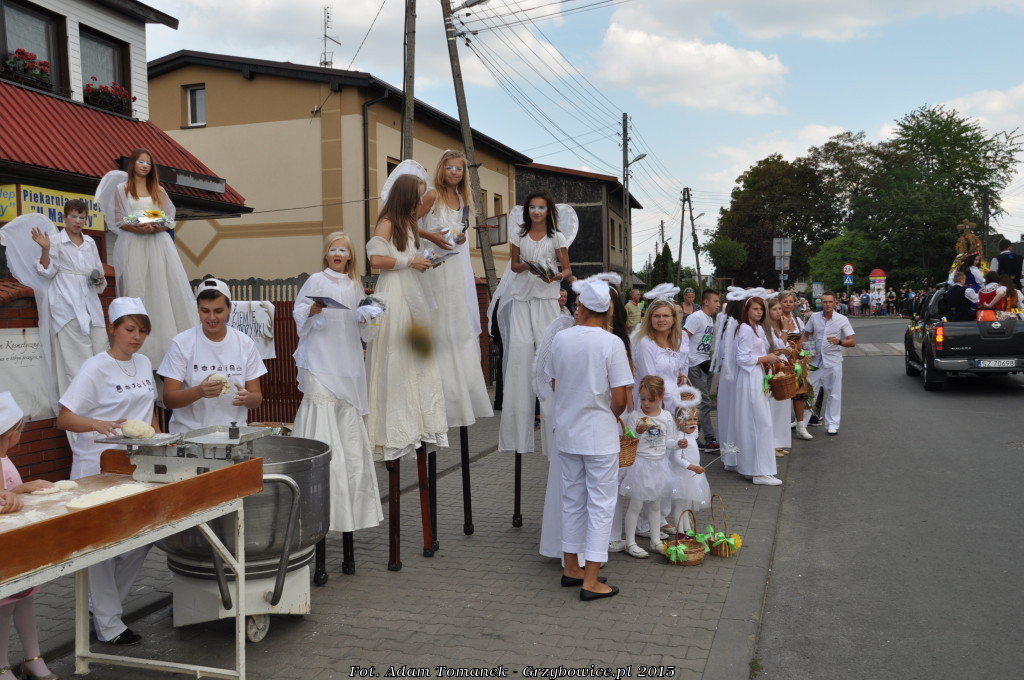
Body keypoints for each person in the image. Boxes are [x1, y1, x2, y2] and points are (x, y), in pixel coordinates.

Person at [56, 298, 158, 646]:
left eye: (143, 331)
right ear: (112, 328)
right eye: (130, 329)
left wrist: (160, 440)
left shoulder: (144, 363)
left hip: (136, 466)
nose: (137, 337)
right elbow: (64, 418)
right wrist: (97, 423)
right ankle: (110, 625)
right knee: (101, 545)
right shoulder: (95, 368)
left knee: (142, 537)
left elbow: (148, 411)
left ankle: (99, 606)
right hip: (96, 468)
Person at [545, 278, 632, 600]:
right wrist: (607, 413)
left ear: (580, 306)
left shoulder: (562, 338)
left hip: (567, 432)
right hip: (598, 435)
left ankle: (572, 567)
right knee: (600, 505)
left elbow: (555, 383)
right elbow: (620, 399)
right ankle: (591, 579)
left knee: (572, 501)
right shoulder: (611, 343)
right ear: (608, 309)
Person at [292, 232, 382, 539]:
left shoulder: (355, 285)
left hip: (347, 363)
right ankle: (315, 498)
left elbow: (363, 328)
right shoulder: (316, 280)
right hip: (320, 361)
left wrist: (369, 315)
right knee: (322, 416)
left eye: (343, 249)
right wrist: (312, 311)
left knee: (348, 430)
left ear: (350, 255)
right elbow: (298, 313)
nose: (338, 254)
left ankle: (348, 506)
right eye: (333, 249)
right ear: (326, 253)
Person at [365, 173, 448, 460]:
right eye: (417, 195)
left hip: (412, 291)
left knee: (417, 356)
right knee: (396, 352)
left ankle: (419, 422)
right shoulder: (387, 222)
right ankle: (393, 429)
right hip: (395, 293)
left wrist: (425, 262)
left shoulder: (410, 223)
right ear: (405, 195)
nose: (420, 201)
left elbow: (409, 258)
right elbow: (376, 260)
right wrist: (409, 261)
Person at [95, 148, 198, 365]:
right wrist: (137, 228)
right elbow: (119, 220)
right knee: (137, 287)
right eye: (141, 162)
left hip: (157, 244)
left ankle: (168, 348)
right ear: (133, 164)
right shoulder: (122, 189)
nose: (145, 166)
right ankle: (140, 348)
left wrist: (157, 227)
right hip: (134, 244)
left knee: (162, 288)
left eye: (148, 163)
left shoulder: (158, 190)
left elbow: (168, 218)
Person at [418, 150, 494, 428]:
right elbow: (409, 223)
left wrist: (460, 238)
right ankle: (436, 393)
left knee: (459, 325)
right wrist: (432, 236)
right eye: (449, 168)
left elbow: (459, 233)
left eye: (458, 169)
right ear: (442, 169)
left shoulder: (463, 200)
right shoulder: (431, 195)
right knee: (439, 323)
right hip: (436, 267)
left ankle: (460, 393)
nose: (454, 172)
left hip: (456, 267)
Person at [498, 190, 571, 457]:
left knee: (548, 354)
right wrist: (528, 266)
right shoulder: (518, 235)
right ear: (527, 211)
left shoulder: (557, 237)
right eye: (532, 207)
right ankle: (517, 432)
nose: (536, 212)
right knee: (520, 352)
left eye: (541, 207)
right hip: (522, 297)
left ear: (548, 211)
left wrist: (554, 275)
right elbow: (514, 266)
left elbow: (567, 270)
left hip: (546, 298)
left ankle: (555, 431)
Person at [0, 393, 59, 680]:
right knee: (3, 607)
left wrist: (19, 490)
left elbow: (7, 493)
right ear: (14, 434)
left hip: (18, 544)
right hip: (5, 549)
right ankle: (2, 666)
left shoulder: (5, 458)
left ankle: (33, 658)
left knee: (25, 599)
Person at [158, 279, 266, 433]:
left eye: (218, 311)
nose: (212, 317)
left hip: (233, 435)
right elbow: (169, 399)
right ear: (197, 309)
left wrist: (248, 398)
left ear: (229, 308)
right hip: (189, 436)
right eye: (205, 311)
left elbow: (256, 397)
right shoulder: (181, 343)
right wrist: (199, 392)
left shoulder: (245, 344)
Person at [26, 200, 107, 396]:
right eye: (73, 216)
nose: (77, 221)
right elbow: (46, 271)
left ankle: (102, 402)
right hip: (67, 304)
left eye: (82, 217)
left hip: (90, 304)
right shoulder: (55, 241)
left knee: (102, 351)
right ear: (64, 218)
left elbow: (99, 273)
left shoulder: (90, 243)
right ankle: (78, 408)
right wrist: (45, 249)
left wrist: (98, 278)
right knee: (76, 360)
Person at [620, 376, 675, 559]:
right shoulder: (635, 416)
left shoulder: (666, 417)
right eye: (642, 399)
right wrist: (637, 432)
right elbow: (628, 440)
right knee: (636, 504)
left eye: (651, 399)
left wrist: (678, 444)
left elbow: (669, 440)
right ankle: (630, 542)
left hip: (659, 465)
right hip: (641, 465)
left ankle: (655, 540)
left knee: (655, 505)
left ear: (660, 397)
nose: (646, 403)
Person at [734, 296, 783, 485]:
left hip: (757, 374)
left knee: (762, 423)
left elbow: (758, 354)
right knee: (759, 423)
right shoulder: (745, 329)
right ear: (747, 310)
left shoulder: (758, 328)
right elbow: (742, 358)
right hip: (750, 378)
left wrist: (769, 358)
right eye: (755, 309)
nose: (759, 312)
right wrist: (765, 359)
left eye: (761, 309)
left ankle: (760, 469)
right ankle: (759, 472)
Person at [802, 291, 855, 436]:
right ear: (821, 303)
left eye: (830, 302)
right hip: (815, 361)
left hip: (833, 361)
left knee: (834, 394)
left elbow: (852, 342)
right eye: (824, 302)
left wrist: (839, 341)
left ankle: (832, 424)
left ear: (835, 303)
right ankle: (802, 421)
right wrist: (805, 350)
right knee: (809, 392)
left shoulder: (842, 319)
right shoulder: (814, 317)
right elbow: (806, 335)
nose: (827, 304)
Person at [633, 291, 688, 414]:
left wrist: (675, 373)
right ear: (650, 319)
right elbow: (649, 383)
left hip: (673, 404)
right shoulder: (646, 344)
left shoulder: (675, 341)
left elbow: (666, 370)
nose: (661, 319)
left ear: (673, 319)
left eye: (666, 316)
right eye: (657, 316)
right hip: (654, 407)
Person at [684, 289, 719, 451]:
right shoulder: (696, 317)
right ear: (706, 302)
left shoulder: (709, 319)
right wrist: (686, 361)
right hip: (694, 364)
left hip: (704, 362)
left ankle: (694, 436)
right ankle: (709, 439)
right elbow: (684, 337)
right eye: (715, 301)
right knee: (704, 401)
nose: (718, 304)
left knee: (699, 402)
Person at [669, 406, 710, 528]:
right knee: (680, 506)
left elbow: (695, 430)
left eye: (695, 419)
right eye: (689, 420)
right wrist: (693, 467)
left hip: (691, 475)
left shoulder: (691, 434)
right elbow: (677, 458)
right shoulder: (680, 437)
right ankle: (680, 533)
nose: (693, 423)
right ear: (678, 421)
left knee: (686, 506)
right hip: (682, 476)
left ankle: (687, 530)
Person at [779, 292, 812, 440]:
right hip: (782, 361)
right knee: (783, 393)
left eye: (791, 301)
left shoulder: (798, 320)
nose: (788, 304)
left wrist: (806, 352)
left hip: (797, 361)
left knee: (800, 394)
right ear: (779, 303)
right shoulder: (776, 320)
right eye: (785, 301)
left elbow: (805, 338)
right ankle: (780, 428)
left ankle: (801, 425)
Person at [764, 297, 792, 457]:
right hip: (772, 367)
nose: (778, 312)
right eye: (774, 309)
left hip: (782, 365)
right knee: (773, 406)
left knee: (783, 406)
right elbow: (777, 346)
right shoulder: (766, 328)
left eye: (779, 309)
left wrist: (787, 349)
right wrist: (786, 331)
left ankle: (779, 441)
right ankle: (771, 444)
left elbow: (785, 348)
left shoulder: (779, 326)